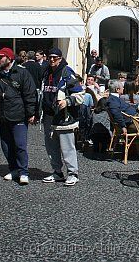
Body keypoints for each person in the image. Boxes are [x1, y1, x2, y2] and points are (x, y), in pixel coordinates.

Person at [0, 47, 36, 185]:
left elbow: (30, 94)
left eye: (0, 57)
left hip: (18, 114)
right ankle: (13, 169)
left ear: (9, 58)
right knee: (6, 145)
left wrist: (31, 113)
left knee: (20, 145)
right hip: (2, 115)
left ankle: (23, 171)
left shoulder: (22, 73)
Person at [41, 48, 83, 186]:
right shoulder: (47, 72)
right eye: (50, 57)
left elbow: (80, 94)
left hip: (63, 117)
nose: (52, 60)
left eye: (55, 57)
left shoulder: (67, 72)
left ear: (60, 58)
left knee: (67, 146)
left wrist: (67, 101)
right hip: (48, 115)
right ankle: (57, 172)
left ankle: (72, 173)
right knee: (51, 146)